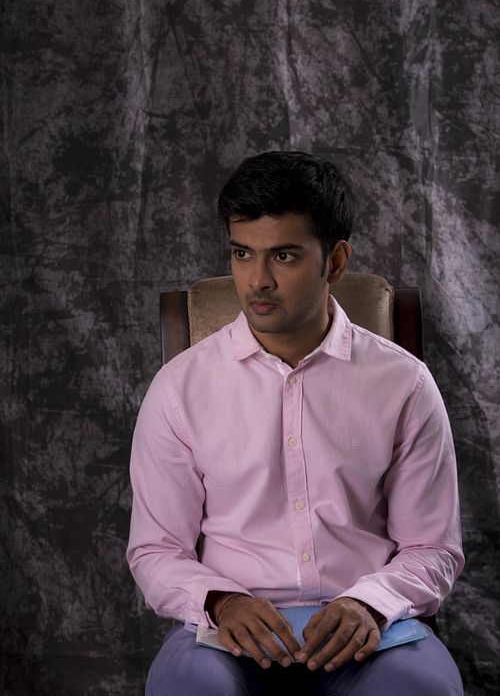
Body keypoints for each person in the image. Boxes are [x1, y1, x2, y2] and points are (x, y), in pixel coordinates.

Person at [127, 151, 464, 695]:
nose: (257, 280)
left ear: (335, 261)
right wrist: (222, 601)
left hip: (371, 633)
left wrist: (369, 603)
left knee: (421, 688)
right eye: (242, 253)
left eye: (283, 256)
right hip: (227, 637)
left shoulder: (404, 383)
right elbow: (156, 550)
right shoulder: (178, 389)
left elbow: (433, 547)